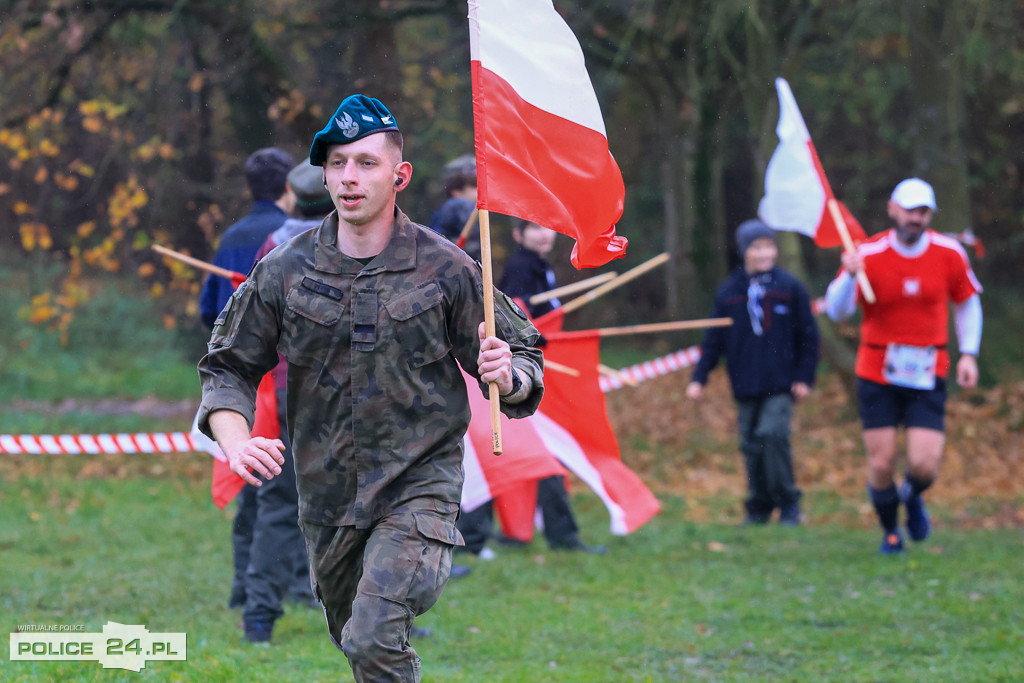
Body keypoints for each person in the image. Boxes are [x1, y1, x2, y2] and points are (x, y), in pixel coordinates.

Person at [197, 94, 544, 681]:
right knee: (355, 641)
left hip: (419, 489)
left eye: (365, 163)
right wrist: (235, 440)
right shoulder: (285, 268)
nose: (348, 178)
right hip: (327, 498)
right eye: (337, 164)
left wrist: (507, 376)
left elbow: (524, 354)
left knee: (374, 635)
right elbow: (227, 365)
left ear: (399, 175)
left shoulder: (448, 267)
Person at [824, 177, 982, 554]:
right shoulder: (868, 252)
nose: (916, 218)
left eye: (923, 212)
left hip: (928, 370)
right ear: (893, 209)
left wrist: (970, 353)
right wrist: (848, 273)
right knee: (881, 465)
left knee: (924, 465)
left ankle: (911, 495)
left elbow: (967, 302)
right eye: (910, 210)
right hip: (876, 371)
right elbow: (837, 311)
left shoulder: (949, 253)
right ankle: (891, 532)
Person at [229, 160, 337, 645]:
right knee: (360, 503)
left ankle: (259, 618)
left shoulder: (273, 248)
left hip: (284, 388)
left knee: (278, 504)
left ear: (293, 197)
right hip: (335, 391)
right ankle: (376, 617)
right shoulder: (351, 245)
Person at [458, 219, 607, 556]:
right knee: (523, 455)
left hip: (528, 378)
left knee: (525, 457)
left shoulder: (538, 266)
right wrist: (535, 342)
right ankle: (551, 535)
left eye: (547, 227)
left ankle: (504, 535)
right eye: (534, 228)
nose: (544, 234)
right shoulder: (521, 269)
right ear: (518, 235)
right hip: (512, 376)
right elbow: (516, 322)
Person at [195, 147, 297, 614]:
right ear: (287, 187)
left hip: (239, 381)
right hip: (279, 379)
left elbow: (208, 313)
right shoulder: (297, 239)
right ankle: (292, 582)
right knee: (288, 484)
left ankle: (244, 584)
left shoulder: (234, 237)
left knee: (250, 477)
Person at [685, 219, 820, 526]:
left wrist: (804, 376)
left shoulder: (790, 288)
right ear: (744, 251)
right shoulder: (730, 292)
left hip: (782, 382)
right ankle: (758, 505)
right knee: (751, 445)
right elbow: (713, 340)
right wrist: (699, 378)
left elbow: (809, 336)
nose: (764, 253)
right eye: (756, 247)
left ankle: (789, 503)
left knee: (772, 435)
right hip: (745, 382)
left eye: (768, 246)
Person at [429, 154, 479, 260]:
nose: (478, 190)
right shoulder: (458, 205)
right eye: (473, 185)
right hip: (457, 263)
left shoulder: (444, 208)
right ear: (456, 192)